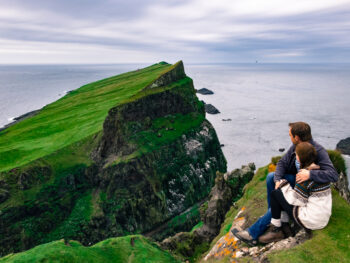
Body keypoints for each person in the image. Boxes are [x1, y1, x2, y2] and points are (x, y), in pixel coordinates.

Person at [232, 122, 338, 246]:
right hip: (300, 182)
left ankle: (253, 233)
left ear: (297, 137)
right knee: (271, 177)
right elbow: (282, 162)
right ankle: (274, 216)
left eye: (290, 135)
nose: (289, 137)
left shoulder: (317, 151)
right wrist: (278, 180)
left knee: (278, 195)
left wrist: (310, 175)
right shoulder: (296, 147)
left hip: (307, 187)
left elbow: (333, 175)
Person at [258, 142, 332, 243]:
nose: (295, 156)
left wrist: (284, 185)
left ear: (300, 158)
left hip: (311, 220)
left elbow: (297, 201)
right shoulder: (321, 172)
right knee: (281, 194)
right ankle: (285, 226)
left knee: (275, 194)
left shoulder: (303, 176)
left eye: (296, 154)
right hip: (323, 218)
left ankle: (277, 229)